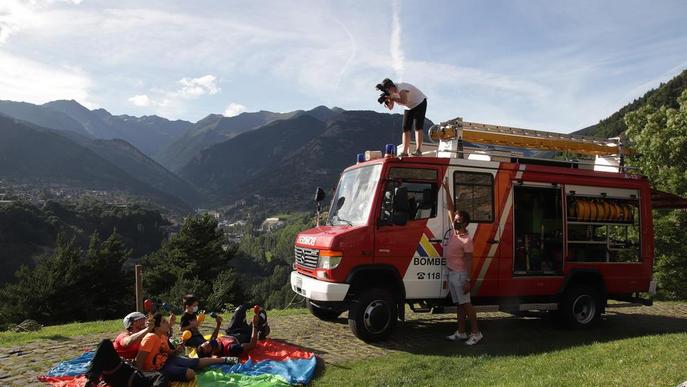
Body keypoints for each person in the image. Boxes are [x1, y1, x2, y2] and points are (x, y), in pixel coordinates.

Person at [136, 313, 233, 382]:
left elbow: (169, 353)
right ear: (156, 328)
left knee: (192, 362)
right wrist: (145, 378)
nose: (167, 323)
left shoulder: (162, 337)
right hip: (157, 370)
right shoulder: (150, 338)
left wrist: (176, 350)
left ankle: (224, 360)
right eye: (164, 322)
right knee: (190, 373)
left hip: (167, 361)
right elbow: (139, 361)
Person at [442, 179, 483, 345]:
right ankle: (461, 332)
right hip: (452, 273)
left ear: (465, 223)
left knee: (467, 305)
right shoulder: (455, 232)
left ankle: (476, 332)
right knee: (459, 304)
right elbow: (451, 208)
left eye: (459, 220)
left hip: (460, 276)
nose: (455, 220)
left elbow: (468, 261)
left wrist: (467, 280)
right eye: (456, 219)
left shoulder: (467, 240)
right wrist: (446, 189)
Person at [379, 78, 428, 157]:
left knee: (418, 126)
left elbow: (404, 101)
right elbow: (391, 107)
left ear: (391, 87)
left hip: (419, 102)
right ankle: (404, 152)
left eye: (387, 90)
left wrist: (392, 98)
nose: (387, 92)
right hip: (409, 107)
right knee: (405, 128)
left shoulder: (401, 88)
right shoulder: (389, 93)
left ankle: (419, 150)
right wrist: (387, 102)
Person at [196, 311, 261, 358]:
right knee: (261, 315)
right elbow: (252, 345)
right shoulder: (231, 348)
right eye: (207, 346)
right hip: (245, 334)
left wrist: (218, 324)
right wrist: (254, 326)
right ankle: (263, 330)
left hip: (233, 332)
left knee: (240, 309)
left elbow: (213, 337)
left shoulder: (213, 343)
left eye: (206, 343)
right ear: (212, 353)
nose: (208, 343)